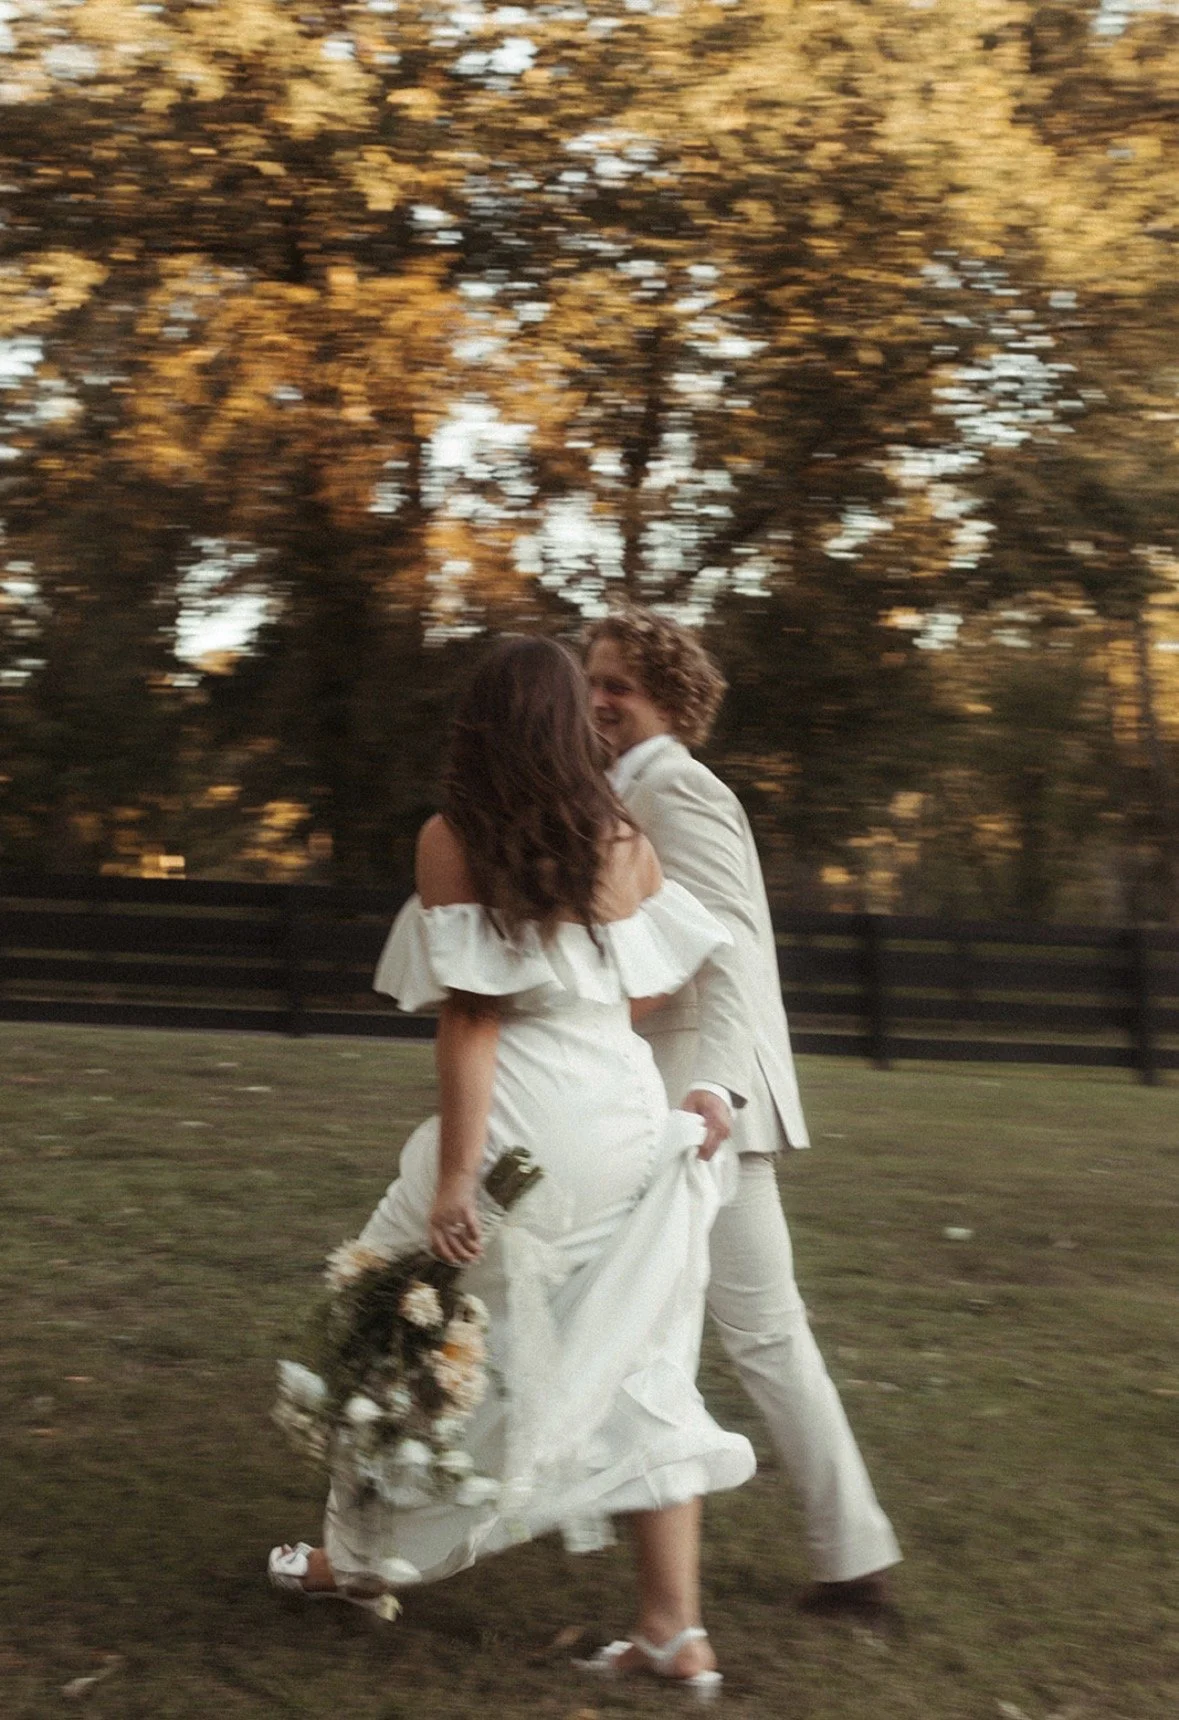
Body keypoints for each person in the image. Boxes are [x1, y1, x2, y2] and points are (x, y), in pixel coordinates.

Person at [268, 636, 754, 1692]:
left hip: (521, 1119)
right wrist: (587, 1011)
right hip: (623, 1114)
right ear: (571, 725)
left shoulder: (455, 836)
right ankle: (675, 1631)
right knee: (637, 1348)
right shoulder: (624, 836)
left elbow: (476, 1018)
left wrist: (452, 1179)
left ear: (482, 722)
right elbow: (658, 986)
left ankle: (354, 1561)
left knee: (388, 1304)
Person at [585, 607, 902, 1618]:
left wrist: (714, 1087)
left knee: (759, 1330)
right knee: (661, 1316)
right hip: (643, 1093)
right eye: (591, 680)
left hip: (700, 1101)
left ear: (671, 700)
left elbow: (725, 953)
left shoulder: (681, 788)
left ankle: (851, 1560)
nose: (598, 699)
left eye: (618, 686)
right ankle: (846, 1554)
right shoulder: (617, 789)